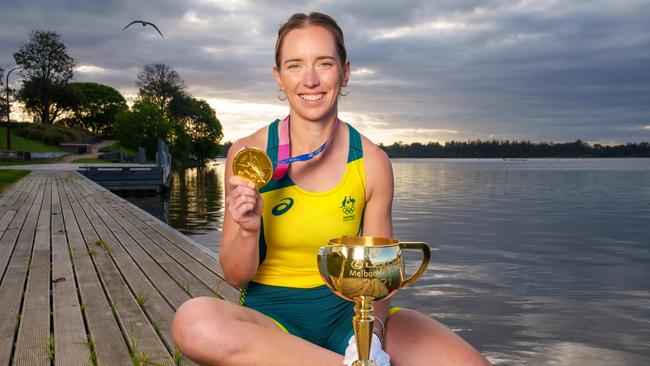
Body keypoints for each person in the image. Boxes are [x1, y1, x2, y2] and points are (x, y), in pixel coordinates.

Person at [172, 11, 491, 366]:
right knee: (194, 323)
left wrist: (370, 344)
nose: (310, 80)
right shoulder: (250, 154)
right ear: (279, 77)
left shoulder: (372, 163)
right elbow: (234, 277)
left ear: (345, 70)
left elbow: (379, 280)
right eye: (295, 65)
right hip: (272, 321)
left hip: (351, 317)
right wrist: (247, 231)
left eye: (323, 63)